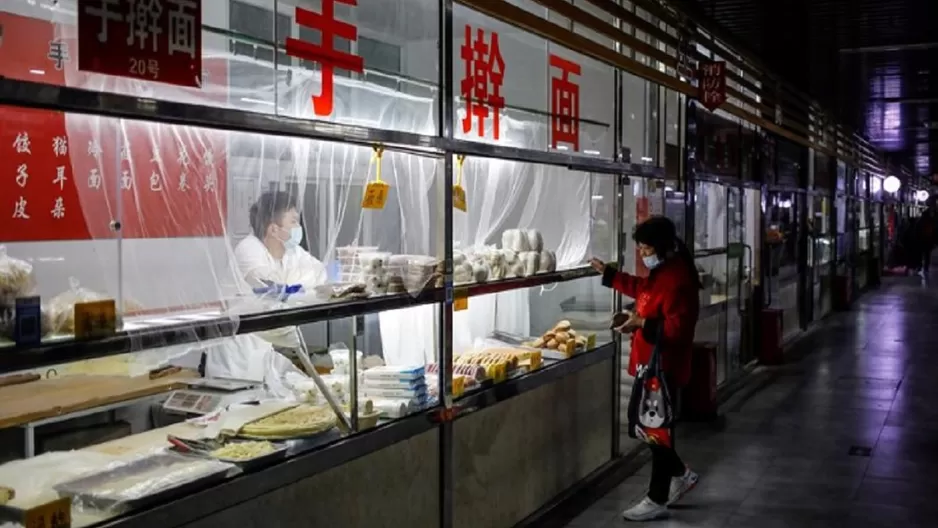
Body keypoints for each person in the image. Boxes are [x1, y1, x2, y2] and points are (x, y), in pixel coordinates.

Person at [589, 216, 701, 522]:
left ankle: (657, 496)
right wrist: (611, 276)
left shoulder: (679, 278)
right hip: (647, 364)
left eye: (646, 247)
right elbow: (643, 292)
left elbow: (678, 328)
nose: (642, 253)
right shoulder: (663, 269)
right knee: (647, 427)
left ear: (662, 246)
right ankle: (680, 474)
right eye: (639, 247)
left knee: (655, 430)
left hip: (662, 368)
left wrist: (643, 323)